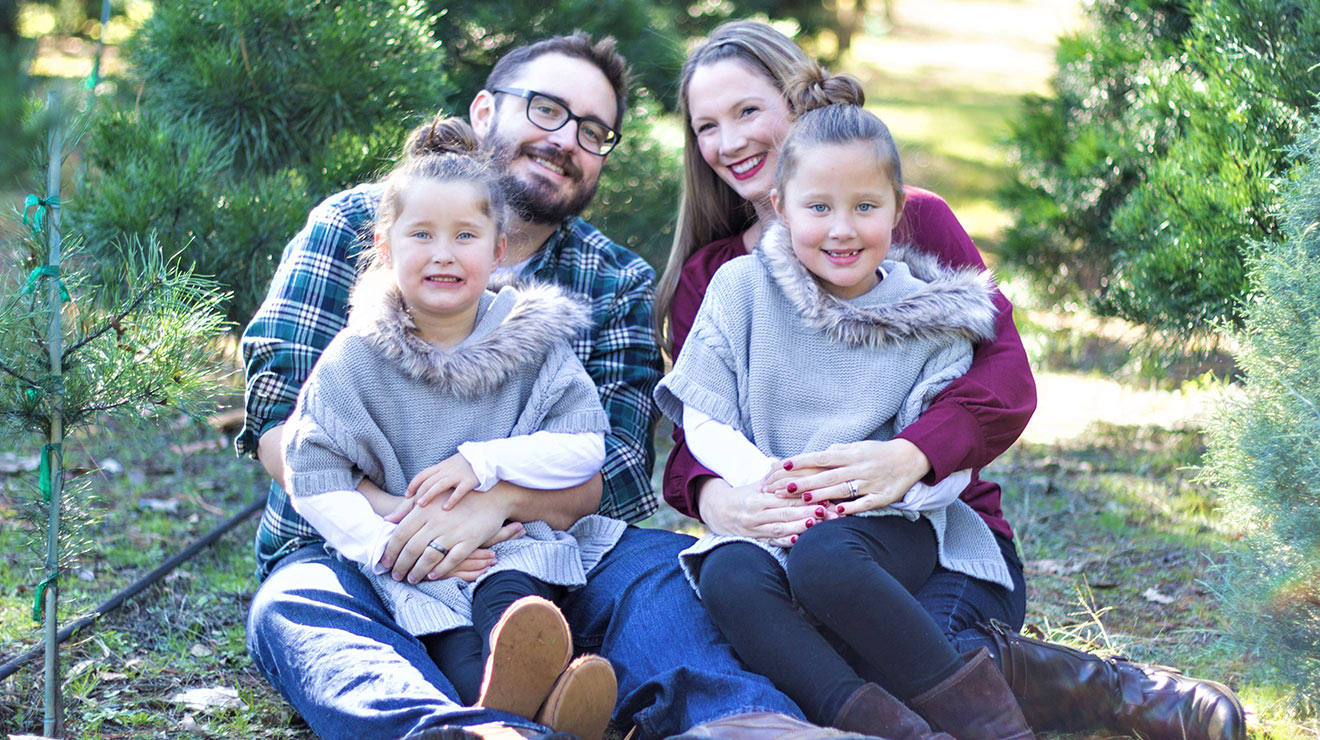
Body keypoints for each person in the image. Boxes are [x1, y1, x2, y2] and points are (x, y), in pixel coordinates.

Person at [239, 31, 882, 740]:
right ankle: (458, 730)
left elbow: (610, 470)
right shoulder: (360, 225)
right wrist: (399, 520)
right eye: (545, 109)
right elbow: (278, 411)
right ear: (485, 111)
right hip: (351, 552)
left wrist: (496, 503)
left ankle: (741, 722)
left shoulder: (614, 281)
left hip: (544, 557)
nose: (564, 140)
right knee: (293, 608)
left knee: (667, 570)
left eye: (593, 131)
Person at [655, 19, 1245, 740]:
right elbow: (696, 427)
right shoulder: (716, 279)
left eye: (747, 110)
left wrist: (909, 457)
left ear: (796, 100)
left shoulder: (907, 226)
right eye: (706, 124)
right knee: (809, 660)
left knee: (911, 653)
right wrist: (727, 501)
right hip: (785, 539)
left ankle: (1114, 691)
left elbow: (1004, 379)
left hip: (922, 534)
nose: (729, 140)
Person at [656, 67, 1034, 740]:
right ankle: (883, 727)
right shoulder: (733, 285)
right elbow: (701, 411)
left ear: (897, 210)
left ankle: (1002, 718)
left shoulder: (927, 304)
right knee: (728, 575)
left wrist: (904, 466)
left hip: (891, 525)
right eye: (707, 125)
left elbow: (970, 416)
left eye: (865, 208)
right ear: (784, 203)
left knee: (830, 567)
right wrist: (749, 487)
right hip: (775, 516)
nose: (841, 229)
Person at [278, 116, 623, 739]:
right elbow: (314, 475)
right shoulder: (357, 356)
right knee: (450, 642)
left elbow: (582, 448)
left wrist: (483, 463)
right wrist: (391, 549)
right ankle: (531, 718)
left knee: (514, 605)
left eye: (465, 235)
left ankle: (525, 696)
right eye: (422, 235)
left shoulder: (533, 343)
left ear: (497, 251)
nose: (443, 253)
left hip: (506, 550)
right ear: (385, 248)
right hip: (408, 568)